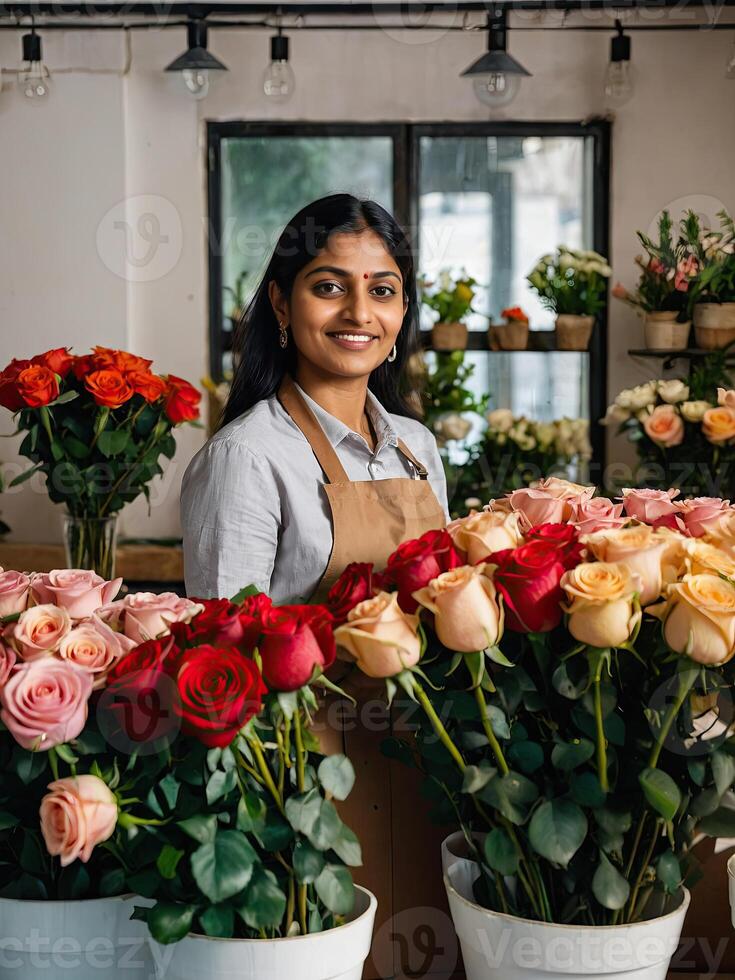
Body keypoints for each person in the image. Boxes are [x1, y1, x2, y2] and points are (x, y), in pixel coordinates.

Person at [180, 193, 449, 603]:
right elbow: (226, 642)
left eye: (381, 291)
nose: (359, 313)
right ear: (281, 303)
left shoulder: (418, 446)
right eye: (329, 287)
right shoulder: (244, 457)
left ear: (403, 308)